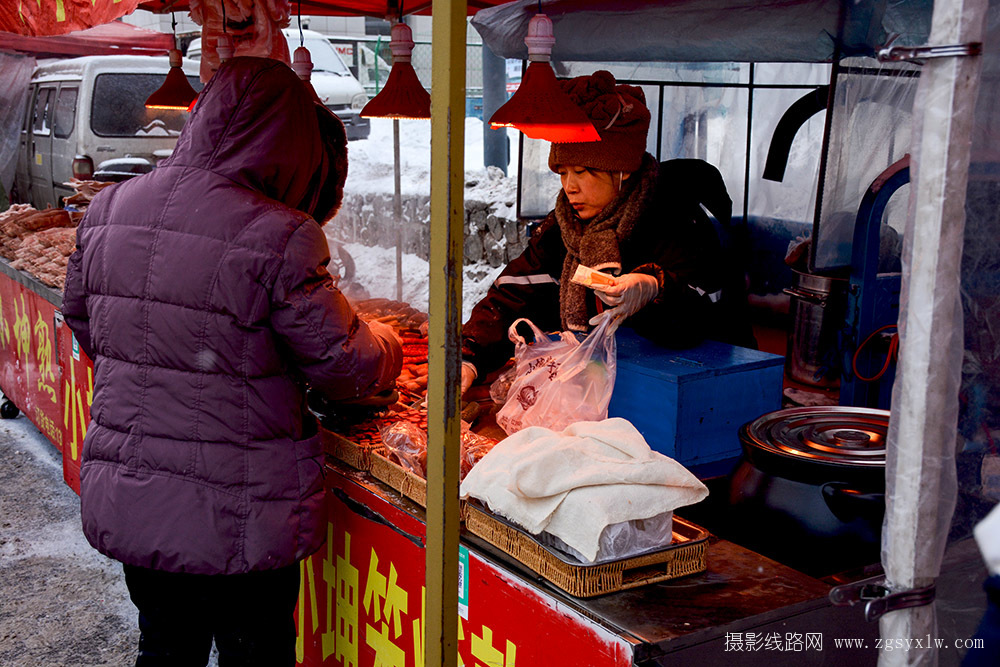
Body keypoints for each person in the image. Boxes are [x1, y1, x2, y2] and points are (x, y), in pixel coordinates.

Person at [61, 57, 401, 666]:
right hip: (242, 510)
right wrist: (386, 340)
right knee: (256, 654)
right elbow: (347, 369)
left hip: (140, 496)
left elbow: (89, 327)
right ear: (291, 144)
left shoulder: (109, 209)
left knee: (164, 648)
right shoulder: (279, 233)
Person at [461, 70, 755, 395]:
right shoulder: (567, 225)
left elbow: (707, 312)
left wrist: (655, 287)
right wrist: (470, 356)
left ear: (621, 172)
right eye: (563, 172)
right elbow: (516, 291)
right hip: (612, 385)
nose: (569, 187)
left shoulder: (676, 217)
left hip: (706, 387)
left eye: (583, 172)